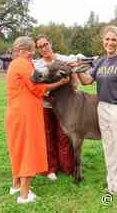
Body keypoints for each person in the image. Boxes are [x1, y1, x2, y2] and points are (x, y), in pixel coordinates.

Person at [5, 36, 70, 204]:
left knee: (18, 149)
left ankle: (16, 185)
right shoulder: (22, 64)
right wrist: (60, 82)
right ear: (21, 51)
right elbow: (37, 86)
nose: (33, 54)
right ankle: (24, 195)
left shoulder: (14, 64)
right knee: (27, 150)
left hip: (16, 114)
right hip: (26, 115)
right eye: (31, 51)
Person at [75, 26, 117, 194]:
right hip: (102, 107)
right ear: (103, 41)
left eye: (114, 40)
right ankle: (112, 183)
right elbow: (87, 81)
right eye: (107, 39)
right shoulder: (102, 61)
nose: (110, 42)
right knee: (109, 147)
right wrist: (79, 70)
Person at [33, 35, 76, 180]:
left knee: (64, 135)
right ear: (38, 49)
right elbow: (38, 87)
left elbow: (74, 82)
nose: (44, 48)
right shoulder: (37, 65)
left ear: (50, 43)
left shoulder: (65, 59)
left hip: (65, 106)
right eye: (40, 46)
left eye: (45, 44)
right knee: (48, 136)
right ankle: (51, 168)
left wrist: (73, 75)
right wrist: (59, 83)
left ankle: (67, 166)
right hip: (46, 105)